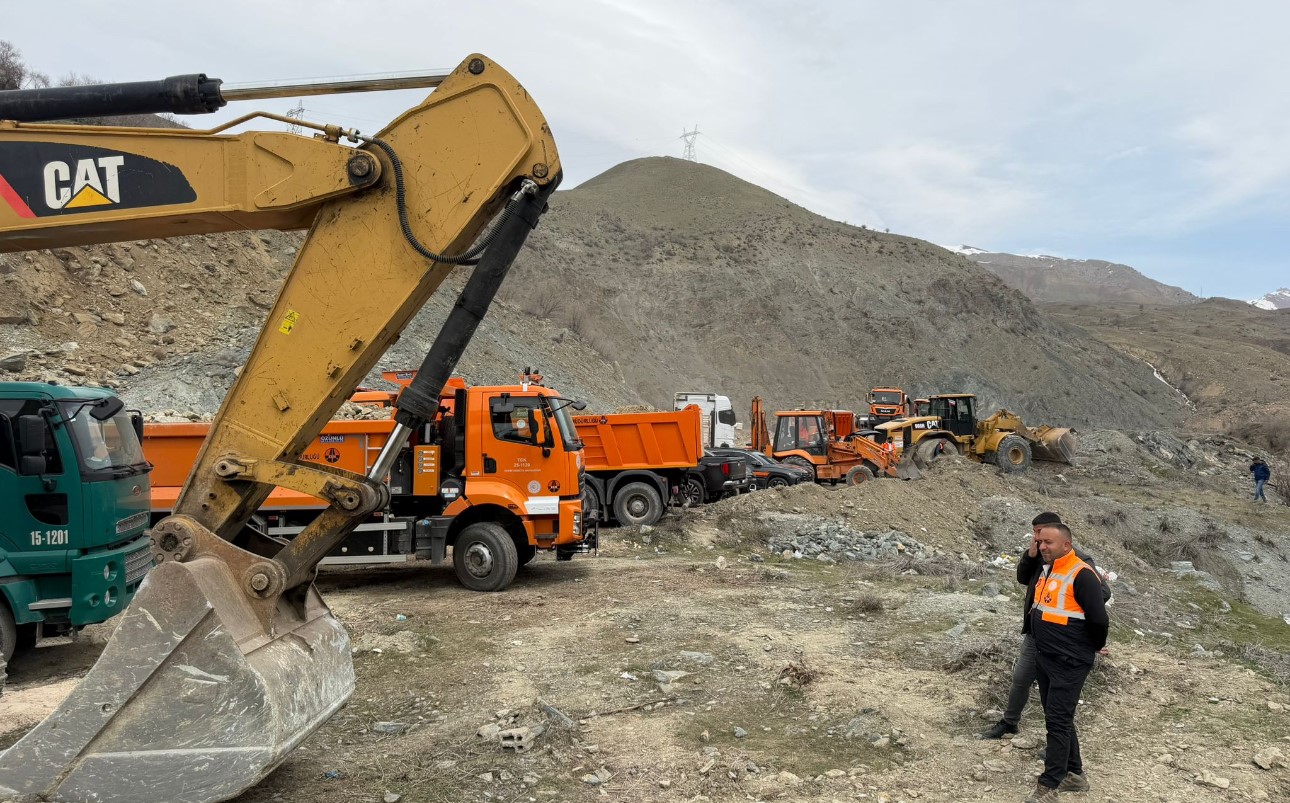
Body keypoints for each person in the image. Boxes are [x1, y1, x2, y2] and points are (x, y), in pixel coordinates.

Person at [982, 513, 1110, 741]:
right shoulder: (1039, 554)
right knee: (1021, 679)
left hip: (1062, 640)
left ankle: (1060, 745)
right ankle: (1010, 723)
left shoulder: (1078, 560)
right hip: (1036, 635)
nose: (1038, 539)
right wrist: (1029, 556)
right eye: (1035, 534)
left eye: (1041, 534)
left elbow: (1102, 593)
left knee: (1058, 697)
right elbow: (1022, 579)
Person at [1022, 522, 1109, 803]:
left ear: (1066, 546)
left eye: (1049, 542)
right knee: (1058, 717)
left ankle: (1049, 786)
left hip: (1069, 661)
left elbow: (1098, 619)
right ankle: (1075, 774)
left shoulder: (1082, 574)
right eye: (1040, 541)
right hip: (1047, 657)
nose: (1042, 546)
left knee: (1057, 723)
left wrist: (1094, 645)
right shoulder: (1049, 570)